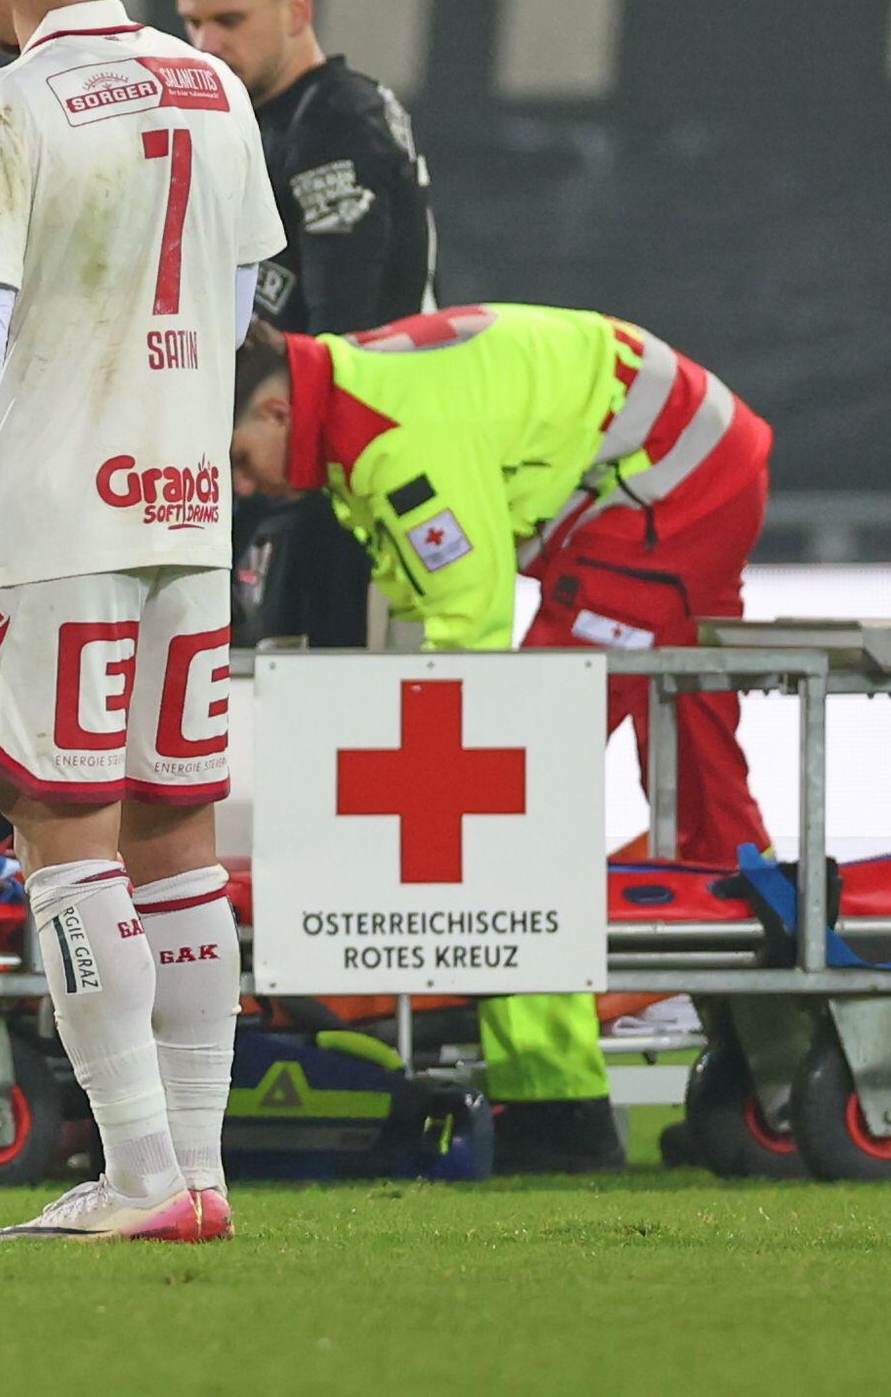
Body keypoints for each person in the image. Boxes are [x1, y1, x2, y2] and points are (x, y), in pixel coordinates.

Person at [0, 0, 284, 1244]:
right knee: (175, 836)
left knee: (66, 839)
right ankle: (198, 1169)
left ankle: (134, 1173)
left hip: (52, 519)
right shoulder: (212, 86)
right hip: (184, 506)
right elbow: (235, 303)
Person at [227, 302, 774, 1174]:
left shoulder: (391, 438)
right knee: (699, 783)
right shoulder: (356, 395)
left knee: (512, 803)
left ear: (273, 413)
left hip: (664, 489)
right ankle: (764, 1064)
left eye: (239, 462)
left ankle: (558, 1107)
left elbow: (468, 622)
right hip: (682, 468)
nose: (245, 488)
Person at [166, 0, 432, 654]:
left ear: (296, 6)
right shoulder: (250, 124)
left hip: (333, 485)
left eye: (229, 21)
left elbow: (346, 340)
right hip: (271, 468)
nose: (206, 44)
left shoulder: (337, 123)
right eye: (192, 22)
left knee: (308, 716)